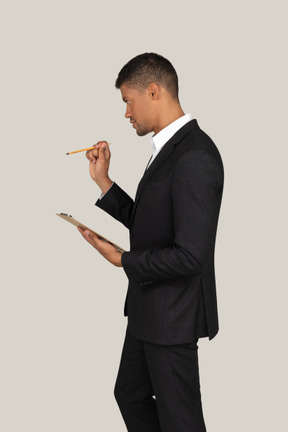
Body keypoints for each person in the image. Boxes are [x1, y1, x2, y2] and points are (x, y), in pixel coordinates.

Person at [78, 53, 224, 432]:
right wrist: (104, 183)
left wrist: (122, 260)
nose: (126, 113)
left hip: (172, 317)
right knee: (129, 394)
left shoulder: (195, 156)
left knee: (181, 421)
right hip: (147, 312)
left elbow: (191, 255)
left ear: (153, 91)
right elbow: (152, 223)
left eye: (128, 100)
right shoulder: (168, 151)